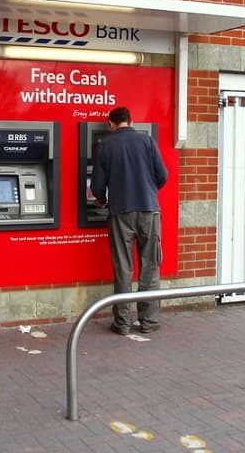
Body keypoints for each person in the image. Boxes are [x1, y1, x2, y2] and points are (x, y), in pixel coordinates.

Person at [90, 106, 168, 335]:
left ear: (111, 124)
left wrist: (101, 199)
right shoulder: (147, 141)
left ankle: (122, 323)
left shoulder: (105, 145)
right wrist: (149, 190)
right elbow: (162, 175)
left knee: (123, 268)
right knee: (150, 267)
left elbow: (96, 185)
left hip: (120, 213)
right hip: (149, 211)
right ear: (131, 121)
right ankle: (149, 322)